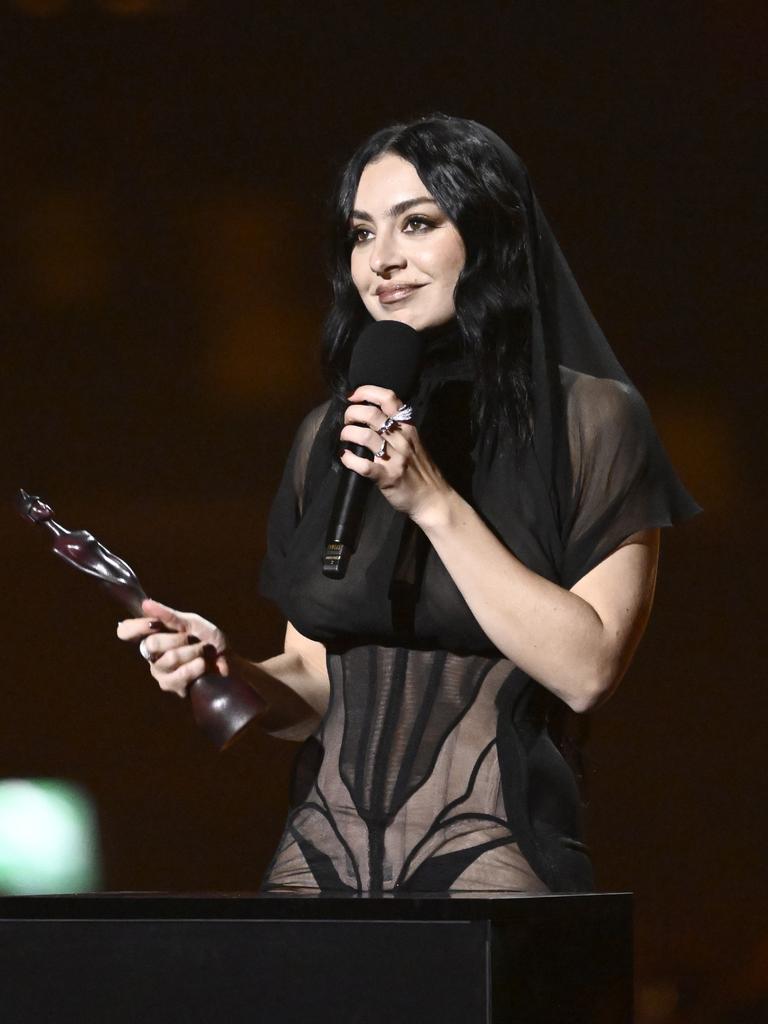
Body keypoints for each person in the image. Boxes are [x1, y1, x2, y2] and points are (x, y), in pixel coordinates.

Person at [117, 115, 699, 895]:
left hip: (493, 860)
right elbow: (316, 690)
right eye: (361, 234)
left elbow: (586, 671)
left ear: (488, 234)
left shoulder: (592, 421)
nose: (381, 260)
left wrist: (432, 502)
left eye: (417, 224)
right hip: (315, 864)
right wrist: (229, 669)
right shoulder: (332, 432)